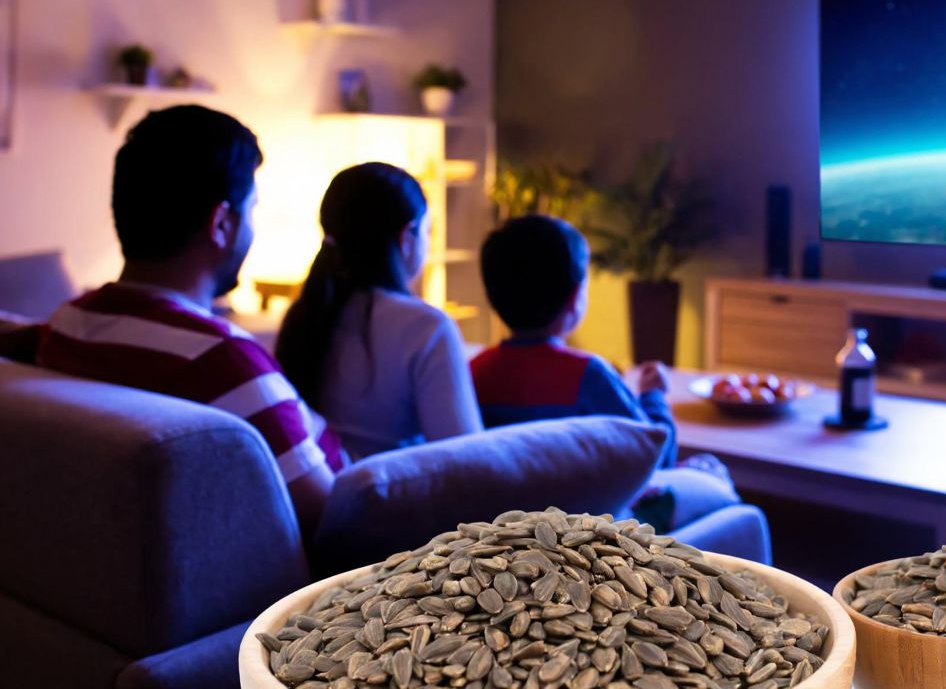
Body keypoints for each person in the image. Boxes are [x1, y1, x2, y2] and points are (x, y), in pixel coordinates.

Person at [35, 105, 343, 535]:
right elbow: (331, 518)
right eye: (251, 209)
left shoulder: (68, 324)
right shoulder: (225, 361)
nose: (251, 227)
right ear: (220, 223)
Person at [471, 214, 738, 530]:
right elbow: (656, 454)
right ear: (575, 297)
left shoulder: (474, 372)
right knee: (710, 469)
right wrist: (653, 395)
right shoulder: (587, 375)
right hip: (594, 526)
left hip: (512, 525)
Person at [276, 162, 482, 459]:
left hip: (321, 496)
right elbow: (469, 458)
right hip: (399, 499)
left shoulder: (303, 314)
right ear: (407, 236)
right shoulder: (426, 327)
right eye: (428, 231)